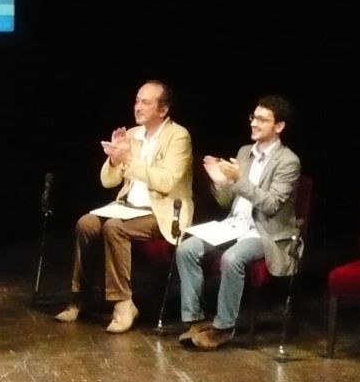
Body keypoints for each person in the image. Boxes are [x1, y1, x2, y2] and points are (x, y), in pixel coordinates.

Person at [55, 81, 193, 333]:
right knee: (86, 223)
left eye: (146, 102)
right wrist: (114, 159)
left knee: (114, 227)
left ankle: (123, 303)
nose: (138, 107)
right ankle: (79, 297)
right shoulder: (132, 134)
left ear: (162, 110)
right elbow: (108, 181)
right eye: (137, 101)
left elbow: (166, 181)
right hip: (127, 207)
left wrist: (129, 159)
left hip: (161, 213)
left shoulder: (178, 136)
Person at [176, 94, 301, 350]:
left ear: (279, 126)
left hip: (265, 232)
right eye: (253, 117)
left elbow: (271, 205)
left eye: (262, 120)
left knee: (232, 258)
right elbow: (227, 202)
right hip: (235, 224)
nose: (254, 123)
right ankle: (196, 320)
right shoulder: (245, 152)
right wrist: (220, 182)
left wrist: (238, 180)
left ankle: (224, 327)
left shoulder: (288, 161)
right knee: (186, 249)